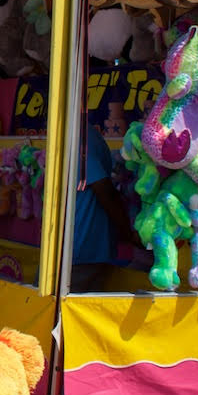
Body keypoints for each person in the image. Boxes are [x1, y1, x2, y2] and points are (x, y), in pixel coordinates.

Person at [71, 124, 137, 292]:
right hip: (77, 250)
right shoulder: (78, 136)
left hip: (82, 251)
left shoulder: (80, 140)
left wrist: (128, 233)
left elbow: (104, 190)